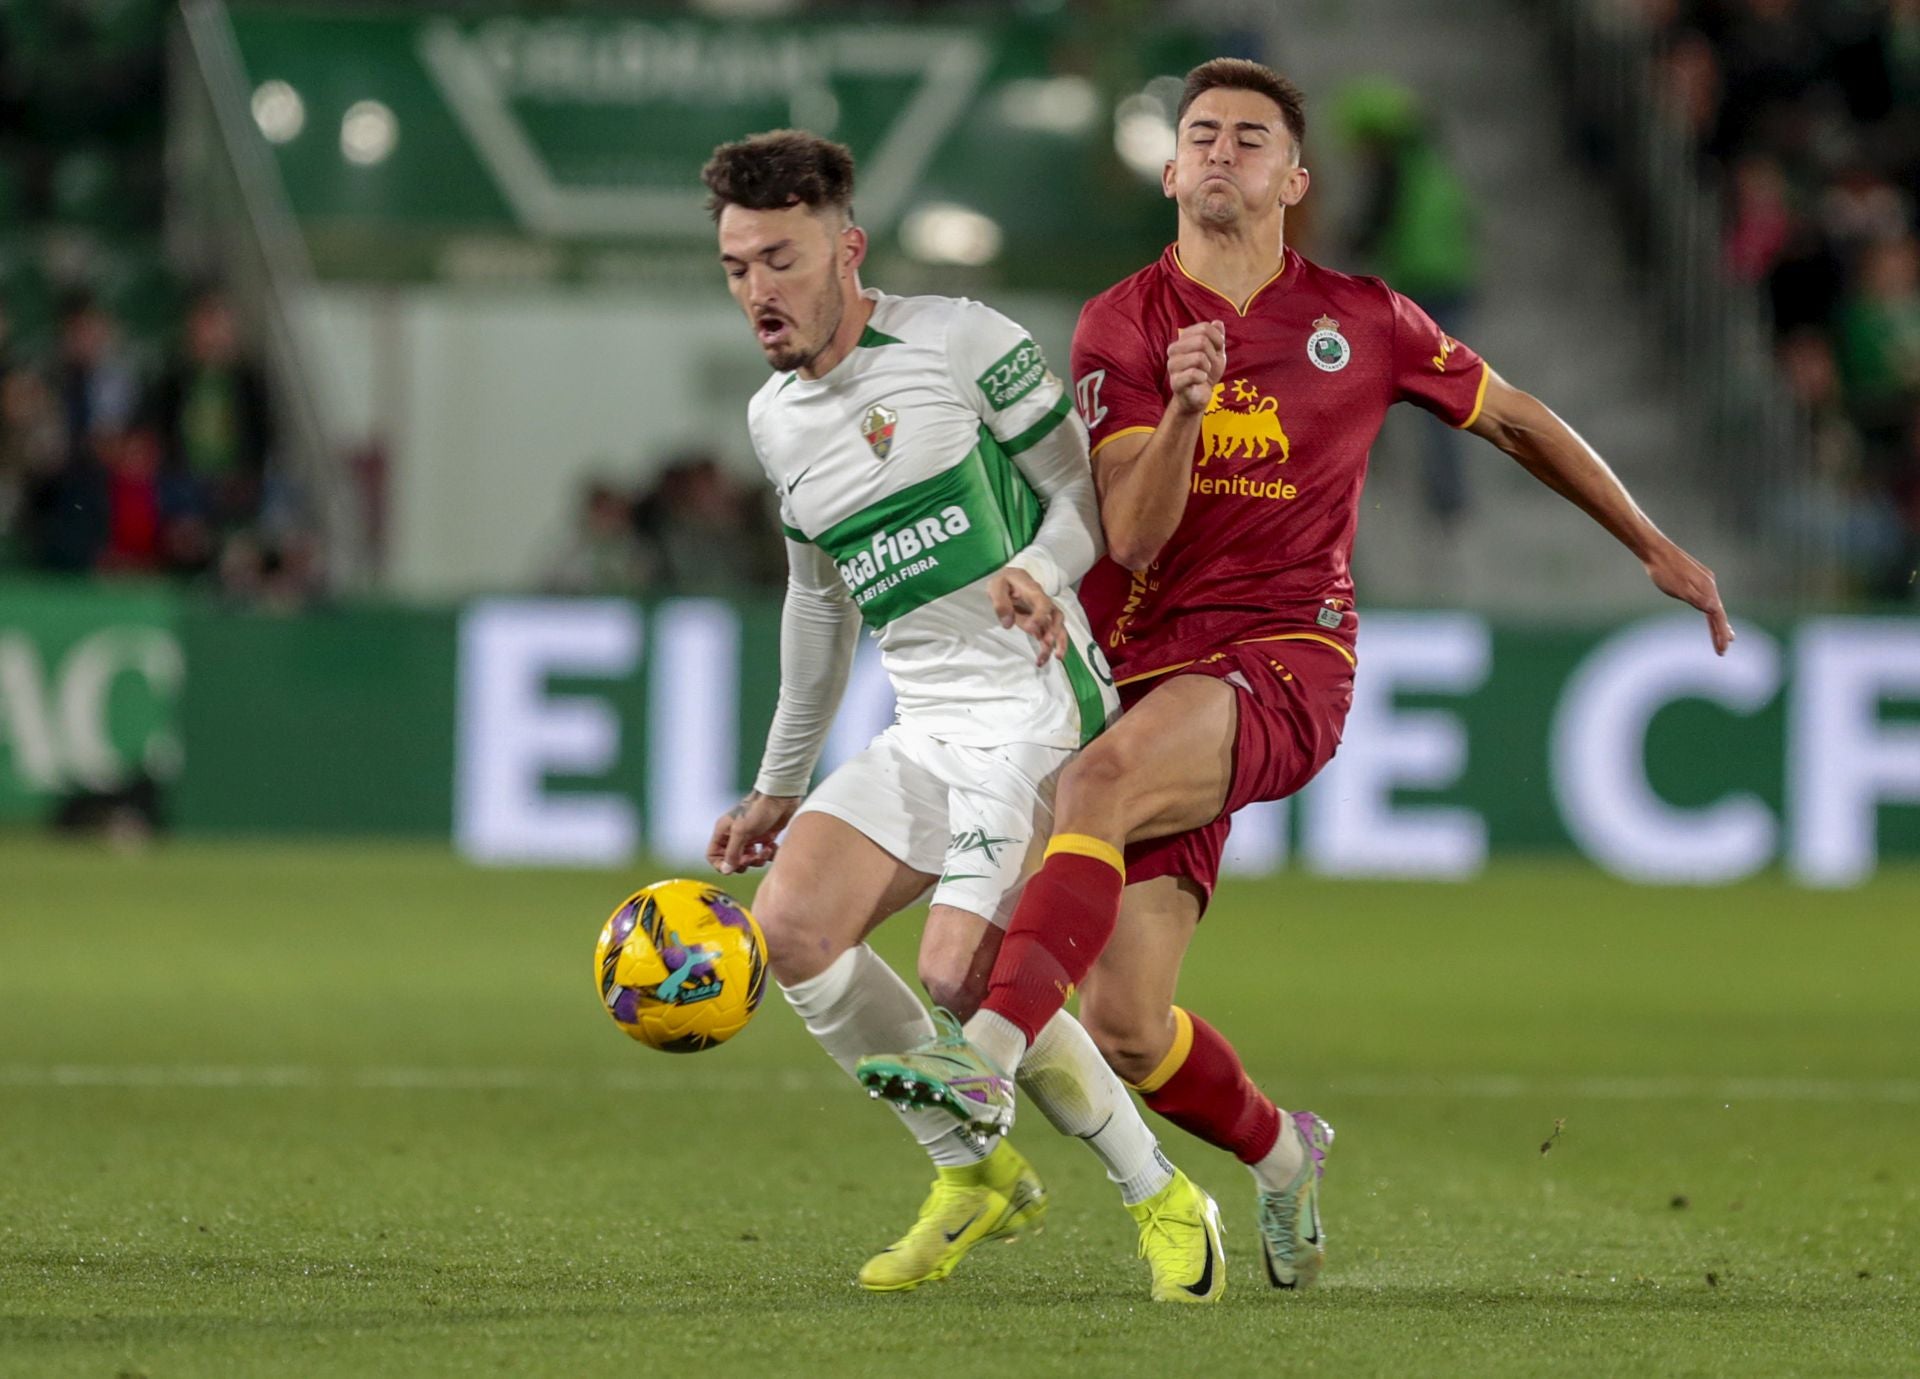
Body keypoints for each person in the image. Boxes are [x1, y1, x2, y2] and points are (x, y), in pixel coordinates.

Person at [861, 57, 1733, 1295]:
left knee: (1094, 785)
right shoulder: (1125, 321)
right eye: (1201, 134)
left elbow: (1521, 418)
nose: (1222, 152)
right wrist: (1183, 414)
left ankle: (983, 1056)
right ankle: (1284, 1158)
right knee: (1124, 1020)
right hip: (1148, 676)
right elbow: (1136, 533)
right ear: (1169, 171)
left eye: (1250, 138)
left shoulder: (1368, 319)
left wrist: (1651, 542)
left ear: (1295, 177)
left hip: (1285, 656)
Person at [698, 130, 1225, 1302]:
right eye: (735, 267)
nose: (757, 292)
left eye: (779, 260)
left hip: (1041, 709)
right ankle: (973, 1169)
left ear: (848, 246)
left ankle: (1165, 1195)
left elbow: (1086, 491)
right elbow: (815, 605)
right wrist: (779, 784)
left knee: (959, 974)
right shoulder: (776, 420)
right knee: (789, 928)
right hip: (925, 721)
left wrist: (1043, 565)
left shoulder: (959, 342)